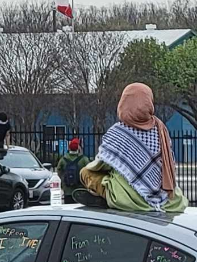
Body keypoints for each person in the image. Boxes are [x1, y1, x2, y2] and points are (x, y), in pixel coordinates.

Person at [73, 83, 187, 213]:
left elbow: (100, 165)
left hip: (130, 200)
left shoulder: (118, 132)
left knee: (87, 172)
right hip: (167, 201)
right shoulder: (160, 130)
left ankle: (103, 197)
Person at [56, 137, 90, 204]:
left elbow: (58, 171)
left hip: (67, 190)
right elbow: (90, 171)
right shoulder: (84, 160)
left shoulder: (63, 159)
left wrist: (64, 180)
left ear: (69, 148)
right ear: (78, 148)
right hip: (80, 190)